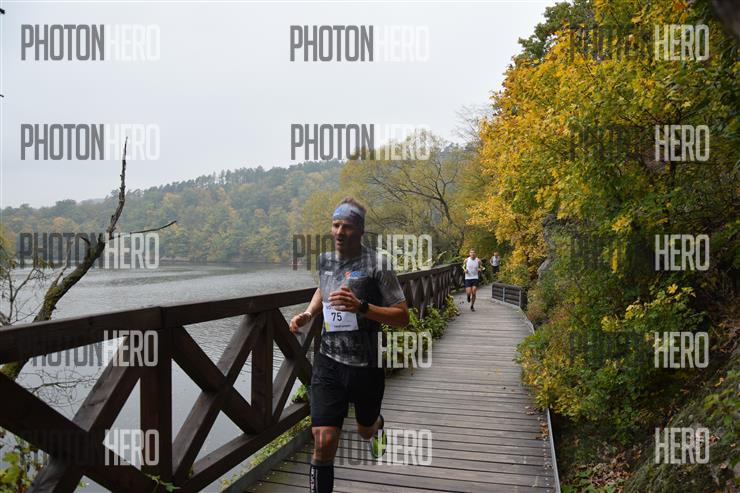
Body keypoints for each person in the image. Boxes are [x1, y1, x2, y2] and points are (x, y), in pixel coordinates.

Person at [288, 197, 410, 493]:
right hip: (328, 362)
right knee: (324, 439)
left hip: (366, 365)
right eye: (335, 225)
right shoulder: (325, 260)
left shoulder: (378, 264)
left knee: (365, 430)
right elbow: (323, 288)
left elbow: (402, 316)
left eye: (347, 227)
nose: (339, 232)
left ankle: (376, 424)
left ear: (361, 231)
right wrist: (309, 313)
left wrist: (362, 307)